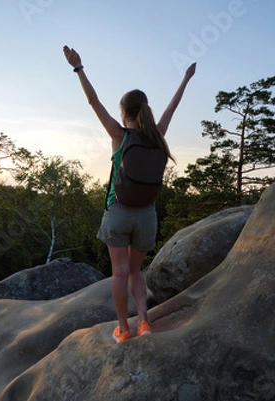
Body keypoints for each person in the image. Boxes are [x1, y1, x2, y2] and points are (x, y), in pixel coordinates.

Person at [63, 45, 196, 343]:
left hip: (118, 211)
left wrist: (78, 68)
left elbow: (92, 101)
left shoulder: (119, 135)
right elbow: (172, 109)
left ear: (123, 112)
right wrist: (185, 79)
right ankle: (145, 323)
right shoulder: (157, 135)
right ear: (145, 110)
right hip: (147, 214)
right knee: (137, 272)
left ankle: (123, 329)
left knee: (120, 273)